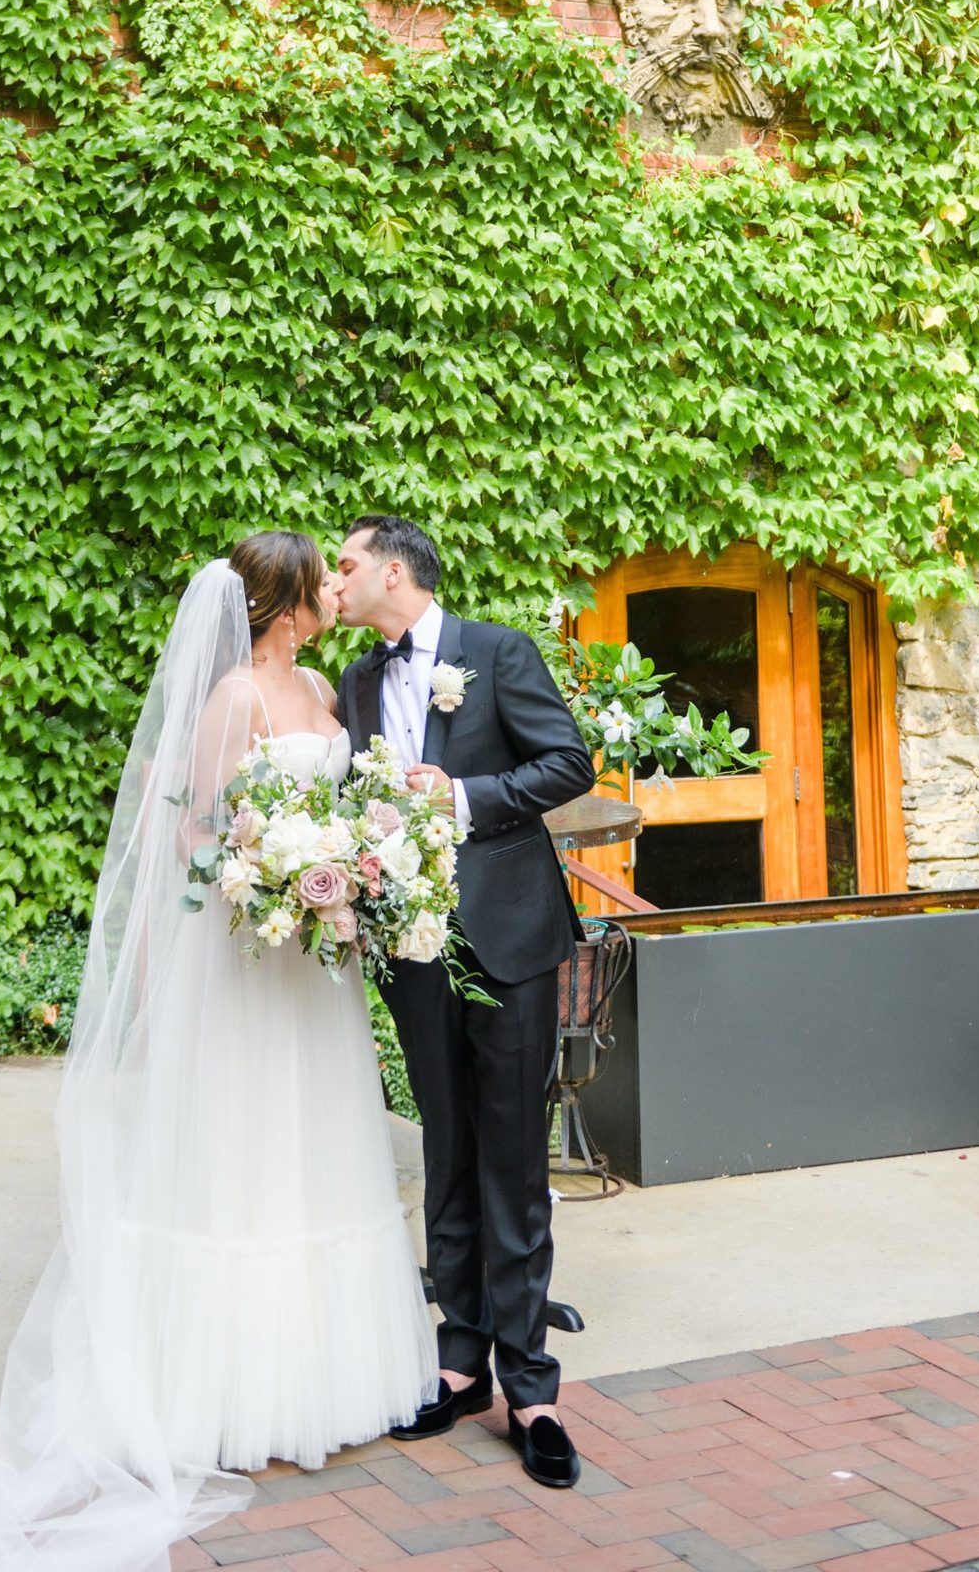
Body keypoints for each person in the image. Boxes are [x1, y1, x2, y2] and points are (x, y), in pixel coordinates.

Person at [0, 533, 435, 1572]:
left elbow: (349, 799)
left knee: (314, 1147)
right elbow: (192, 832)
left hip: (315, 962)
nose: (332, 586)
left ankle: (326, 1380)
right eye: (318, 576)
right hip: (246, 956)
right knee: (243, 1154)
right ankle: (229, 1394)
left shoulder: (319, 681)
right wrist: (271, 867)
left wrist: (345, 862)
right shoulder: (231, 699)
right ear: (282, 599)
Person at [334, 514, 596, 1491]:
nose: (335, 579)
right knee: (445, 1144)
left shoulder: (495, 651)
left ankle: (531, 1390)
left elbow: (567, 764)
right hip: (413, 945)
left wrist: (458, 795)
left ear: (392, 571)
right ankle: (457, 1363)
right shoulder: (359, 681)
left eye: (347, 564)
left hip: (511, 937)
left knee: (511, 1155)